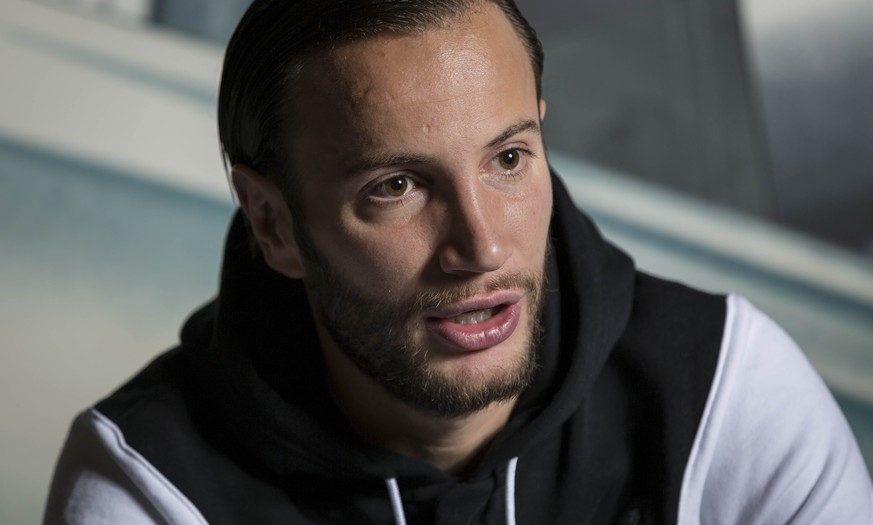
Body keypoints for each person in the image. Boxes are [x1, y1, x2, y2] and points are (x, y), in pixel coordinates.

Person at [44, 0, 873, 523]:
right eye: (397, 185)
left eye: (508, 160)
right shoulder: (151, 489)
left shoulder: (726, 396)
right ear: (273, 223)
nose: (480, 246)